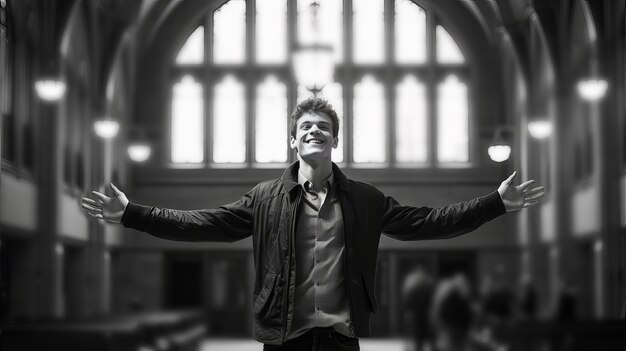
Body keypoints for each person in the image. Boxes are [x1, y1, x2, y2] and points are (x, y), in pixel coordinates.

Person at [81, 98, 545, 350]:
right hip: (285, 338)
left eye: (323, 126)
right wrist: (132, 213)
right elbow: (202, 222)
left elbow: (428, 222)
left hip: (342, 339)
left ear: (334, 141)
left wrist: (495, 204)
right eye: (305, 126)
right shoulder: (265, 198)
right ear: (293, 140)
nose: (313, 130)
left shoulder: (364, 199)